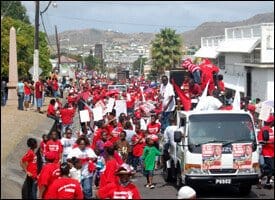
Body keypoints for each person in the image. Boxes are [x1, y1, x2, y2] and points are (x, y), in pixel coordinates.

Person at [257, 114, 274, 189]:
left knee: (270, 169)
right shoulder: (263, 130)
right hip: (267, 153)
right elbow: (260, 141)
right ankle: (267, 183)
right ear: (271, 122)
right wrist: (269, 142)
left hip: (273, 152)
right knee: (272, 168)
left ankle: (259, 178)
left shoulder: (271, 130)